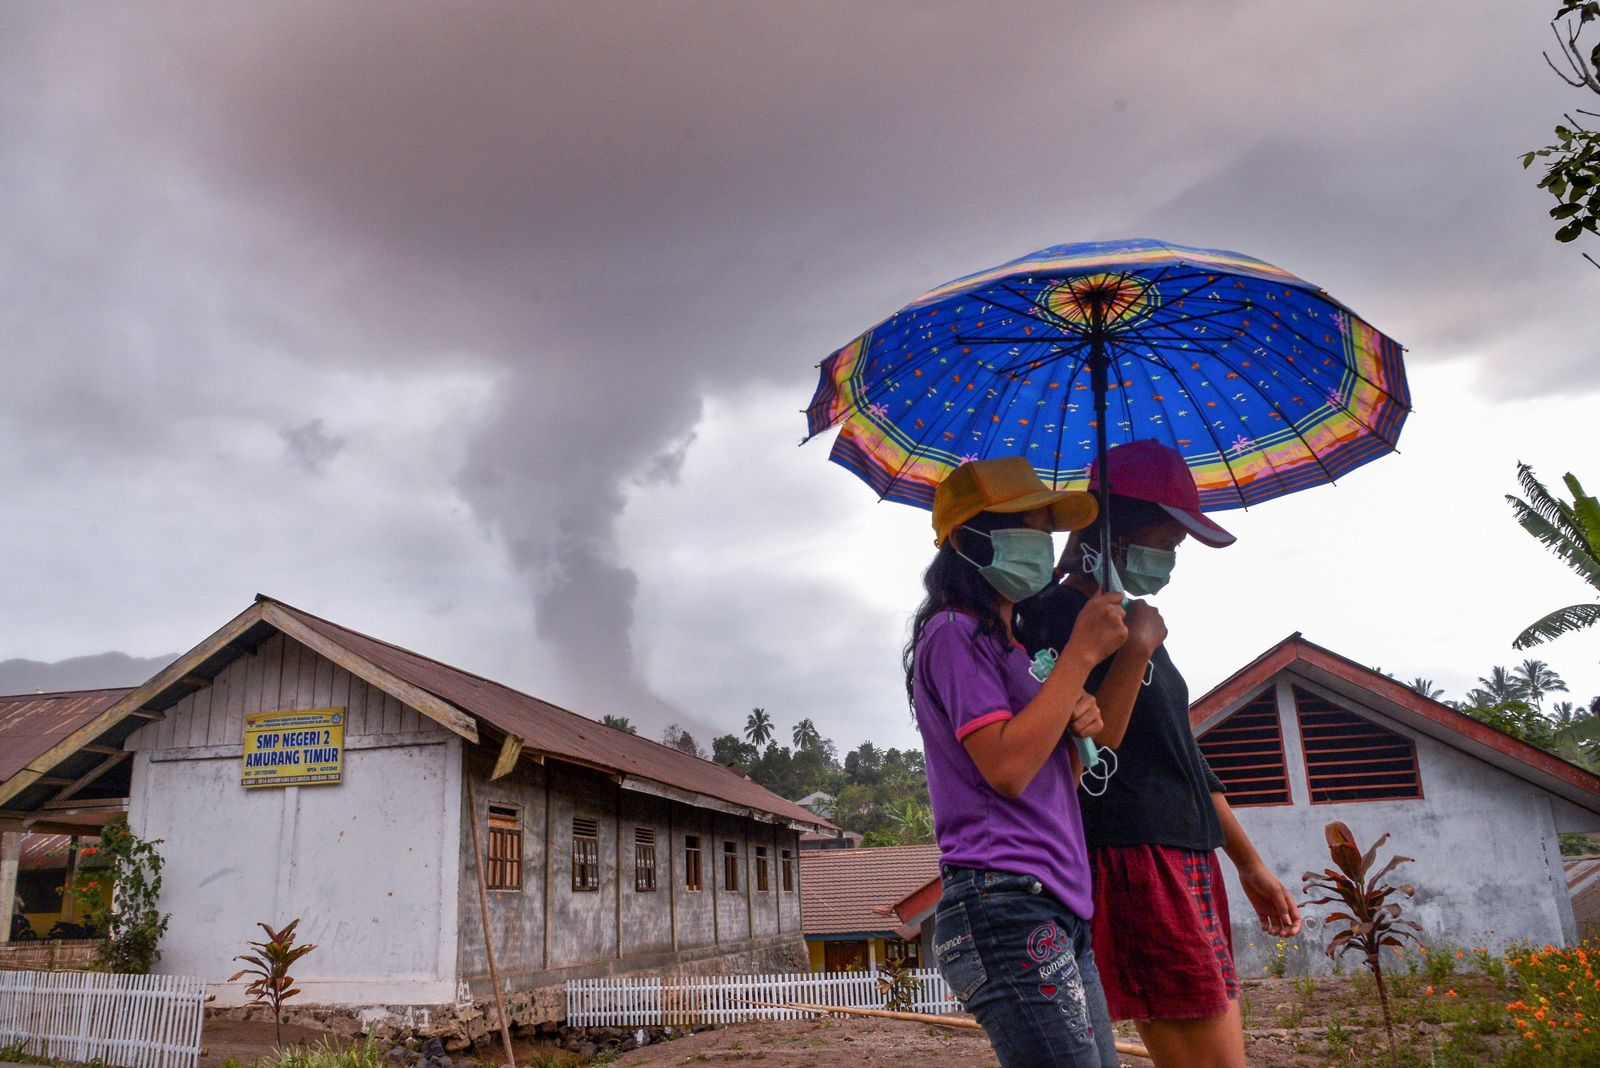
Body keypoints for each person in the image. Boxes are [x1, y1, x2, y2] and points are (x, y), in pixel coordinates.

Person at [1014, 439, 1303, 1068]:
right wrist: (1133, 649)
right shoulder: (1053, 619)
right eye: (1166, 545)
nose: (1171, 561)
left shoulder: (1133, 619)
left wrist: (1248, 863)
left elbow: (1184, 757)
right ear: (1113, 531)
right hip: (1135, 855)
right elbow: (1088, 749)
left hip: (1186, 850)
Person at [907, 456, 1134, 1068]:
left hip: (1055, 901)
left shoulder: (1015, 650)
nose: (1042, 545)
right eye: (1025, 528)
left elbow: (1065, 772)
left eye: (1045, 531)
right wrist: (1080, 658)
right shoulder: (953, 634)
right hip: (1004, 899)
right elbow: (1005, 771)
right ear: (966, 539)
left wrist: (1074, 717)